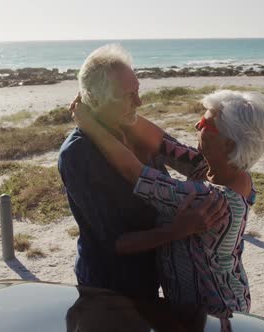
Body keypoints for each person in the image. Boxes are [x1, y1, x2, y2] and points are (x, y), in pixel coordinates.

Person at [70, 88, 264, 322]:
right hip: (207, 304)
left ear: (227, 145)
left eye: (205, 124)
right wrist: (114, 107)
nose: (196, 127)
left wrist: (90, 125)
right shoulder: (225, 171)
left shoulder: (211, 199)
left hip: (215, 315)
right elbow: (162, 142)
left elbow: (134, 172)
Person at [58, 44, 224, 299]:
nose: (139, 102)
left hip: (152, 275)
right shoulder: (78, 154)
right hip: (110, 289)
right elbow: (113, 242)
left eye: (138, 90)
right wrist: (178, 230)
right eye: (127, 95)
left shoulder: (133, 128)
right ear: (95, 98)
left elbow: (196, 163)